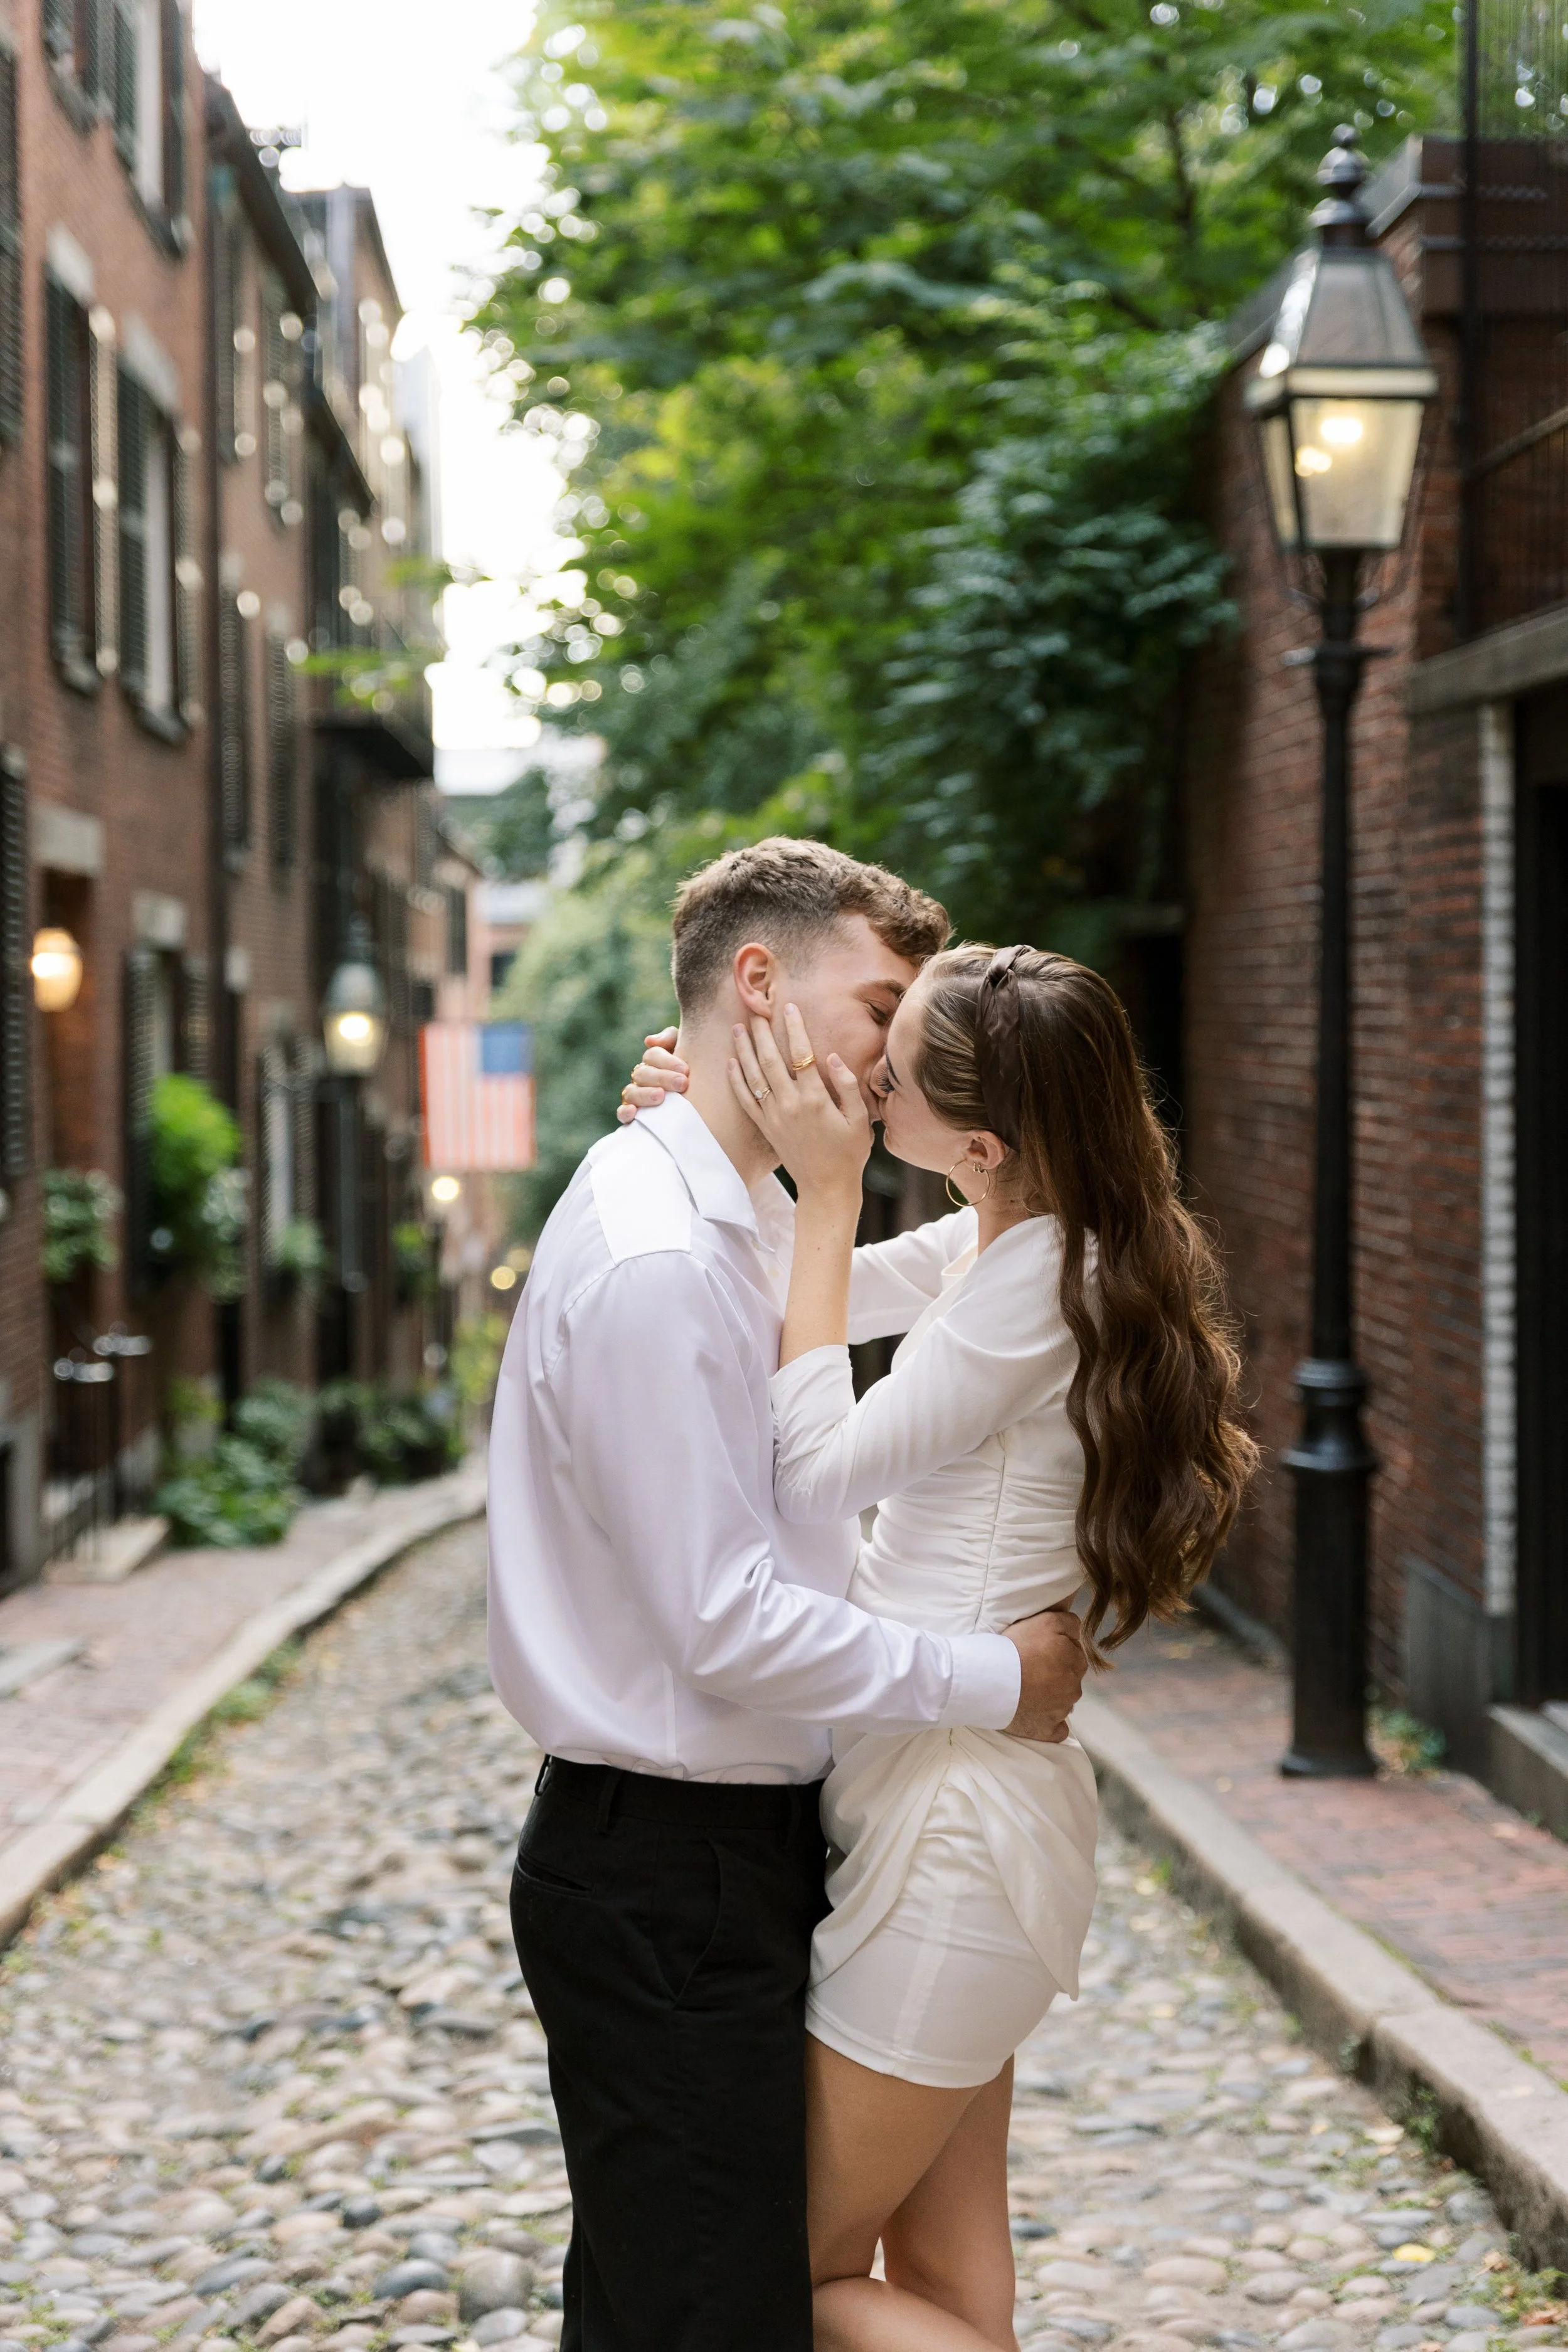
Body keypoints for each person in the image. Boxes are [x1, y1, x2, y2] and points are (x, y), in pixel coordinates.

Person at [486, 840, 1091, 2352]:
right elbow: (723, 1619)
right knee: (711, 2310)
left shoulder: (714, 1221)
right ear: (753, 985)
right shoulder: (659, 1254)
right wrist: (994, 1680)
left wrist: (769, 1156)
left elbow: (863, 1285)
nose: (890, 1057)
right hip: (669, 1874)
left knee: (681, 2305)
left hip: (759, 1848)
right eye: (875, 1005)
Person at [622, 941, 1257, 2352]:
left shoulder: (1032, 1286)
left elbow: (813, 1466)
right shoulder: (1014, 1236)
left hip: (952, 1843)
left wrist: (823, 1178)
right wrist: (701, 1138)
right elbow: (804, 1290)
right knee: (952, 2292)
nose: (856, 1080)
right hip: (951, 1819)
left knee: (774, 2280)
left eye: (886, 1076)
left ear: (973, 1141)